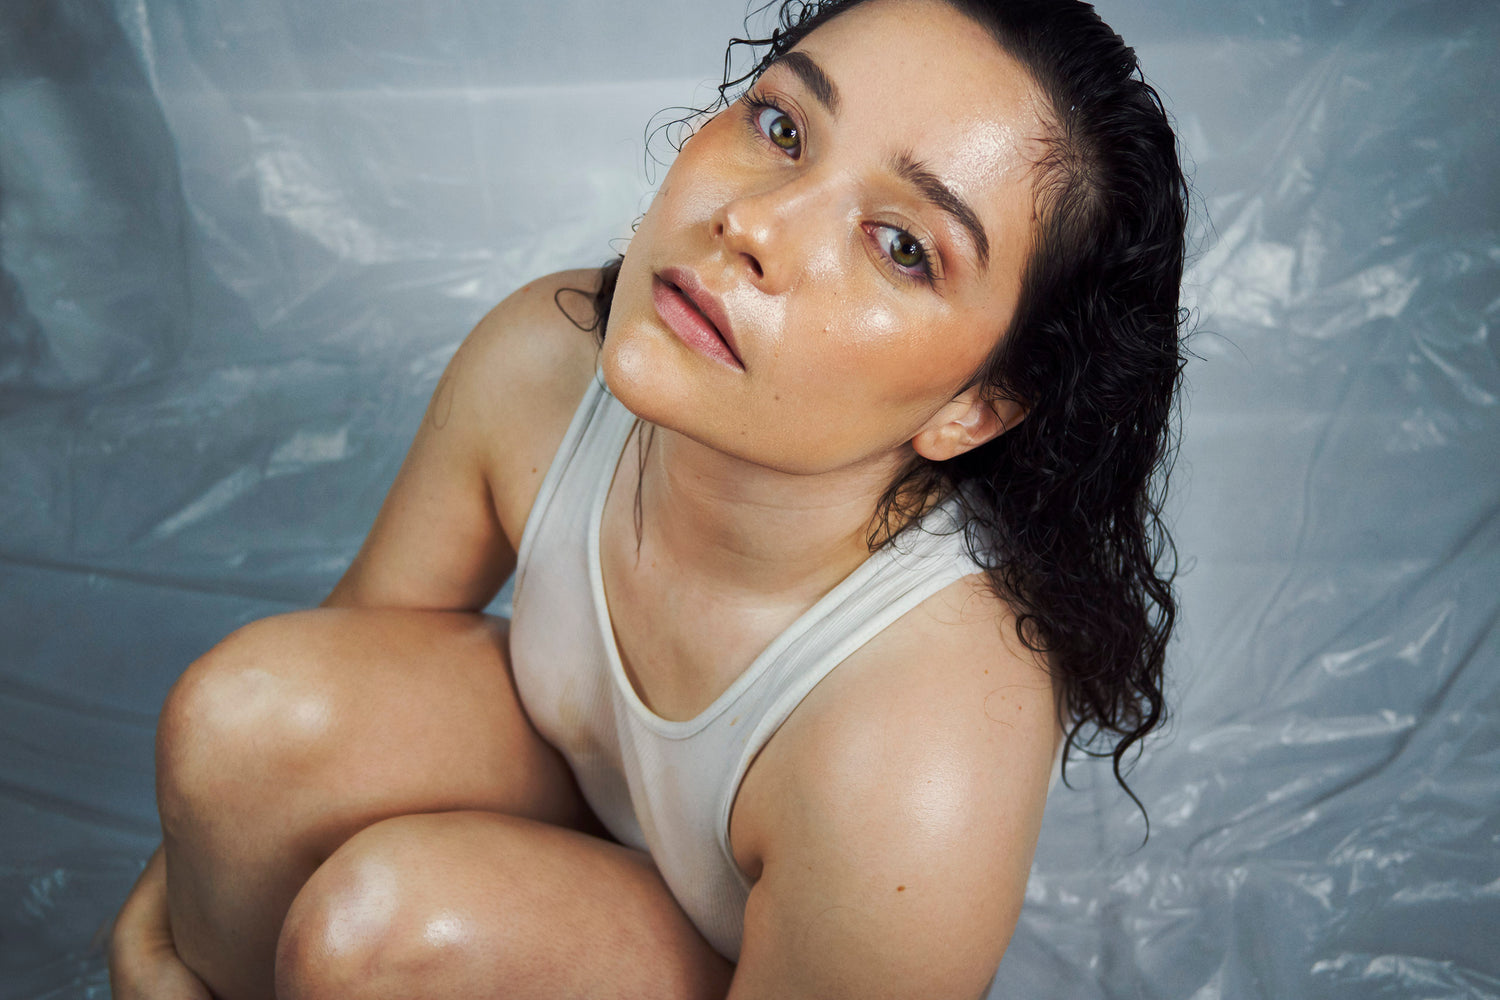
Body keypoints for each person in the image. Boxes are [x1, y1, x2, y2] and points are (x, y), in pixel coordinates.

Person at [108, 0, 1187, 995]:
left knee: (381, 938)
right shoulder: (540, 362)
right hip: (570, 798)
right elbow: (345, 671)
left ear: (979, 408)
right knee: (238, 722)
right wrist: (170, 940)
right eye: (783, 127)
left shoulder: (924, 747)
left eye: (905, 247)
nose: (758, 227)